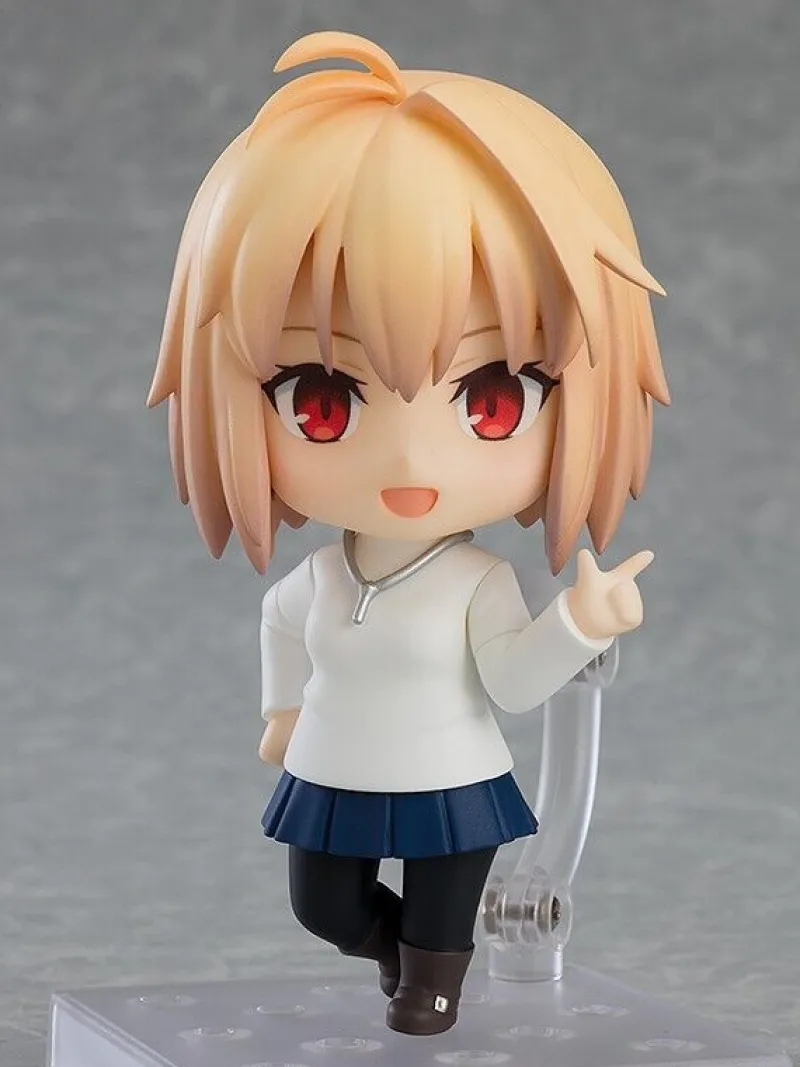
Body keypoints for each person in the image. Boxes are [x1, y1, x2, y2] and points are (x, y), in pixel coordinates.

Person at [147, 29, 669, 1036]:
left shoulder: (476, 582)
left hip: (452, 772)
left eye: (490, 399)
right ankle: (393, 953)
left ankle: (433, 976)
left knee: (441, 907)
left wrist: (579, 623)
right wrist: (281, 709)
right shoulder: (322, 574)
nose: (409, 460)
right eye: (323, 401)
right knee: (322, 902)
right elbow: (278, 622)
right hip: (334, 760)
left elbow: (512, 681)